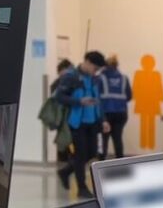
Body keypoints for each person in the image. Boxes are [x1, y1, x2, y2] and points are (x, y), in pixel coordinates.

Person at [56, 51, 106, 198]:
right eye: (95, 68)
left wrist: (103, 120)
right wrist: (78, 101)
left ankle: (65, 172)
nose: (96, 71)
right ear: (88, 62)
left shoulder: (95, 79)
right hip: (77, 123)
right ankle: (82, 188)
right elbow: (59, 97)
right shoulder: (70, 77)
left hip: (92, 122)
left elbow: (99, 100)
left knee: (91, 153)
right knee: (80, 155)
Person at [96, 53, 133, 159]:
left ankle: (101, 163)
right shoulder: (124, 78)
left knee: (103, 140)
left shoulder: (100, 78)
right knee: (118, 139)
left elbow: (96, 95)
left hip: (105, 113)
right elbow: (129, 96)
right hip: (121, 113)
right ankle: (119, 163)